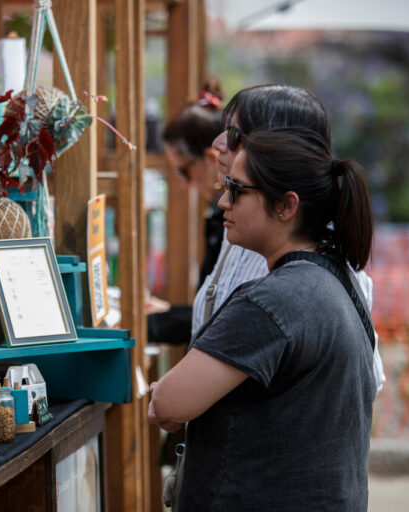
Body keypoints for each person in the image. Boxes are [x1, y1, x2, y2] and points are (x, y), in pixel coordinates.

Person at [149, 126, 376, 510]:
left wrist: (165, 394)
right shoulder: (335, 280)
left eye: (237, 190)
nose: (223, 201)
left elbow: (169, 404)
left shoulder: (274, 300)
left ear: (287, 206)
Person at [199, 84, 384, 393]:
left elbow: (365, 381)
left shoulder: (309, 261)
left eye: (233, 135)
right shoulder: (242, 229)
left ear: (275, 147)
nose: (217, 144)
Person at [146, 81, 226, 345]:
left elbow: (222, 318)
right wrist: (170, 313)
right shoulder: (219, 214)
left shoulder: (229, 220)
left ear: (212, 158)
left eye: (184, 171)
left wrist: (154, 323)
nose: (183, 183)